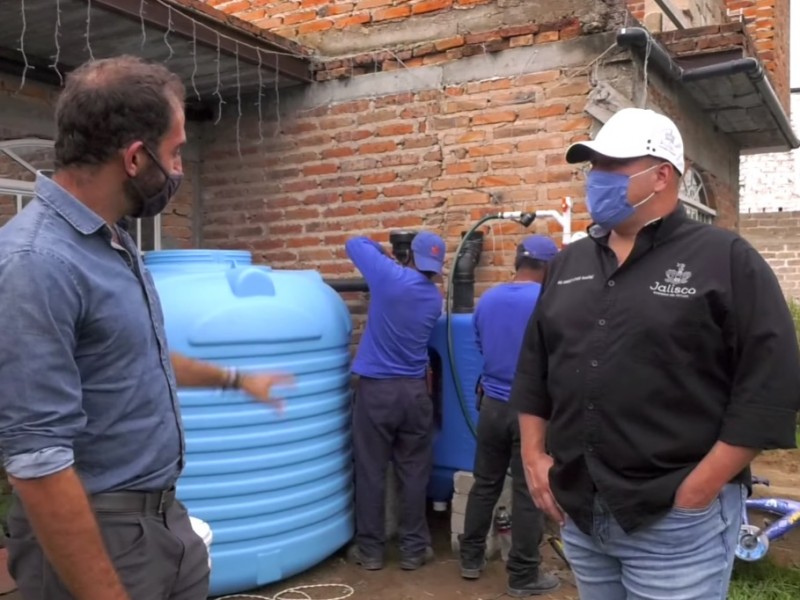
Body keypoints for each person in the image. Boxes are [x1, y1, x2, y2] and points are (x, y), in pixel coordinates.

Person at [0, 56, 290, 600]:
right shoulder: (37, 262)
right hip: (96, 535)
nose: (178, 168)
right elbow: (38, 462)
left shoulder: (114, 243)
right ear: (136, 157)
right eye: (176, 151)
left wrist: (235, 380)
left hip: (161, 522)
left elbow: (141, 358)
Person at [510, 107, 800, 600]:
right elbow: (536, 366)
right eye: (592, 168)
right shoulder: (570, 263)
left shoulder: (725, 260)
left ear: (661, 175)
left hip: (674, 520)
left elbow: (770, 387)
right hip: (581, 511)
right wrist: (534, 457)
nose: (595, 180)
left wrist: (699, 488)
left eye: (610, 167)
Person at [459, 235, 561, 597]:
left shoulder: (488, 300)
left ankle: (470, 558)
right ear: (548, 267)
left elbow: (480, 344)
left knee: (484, 482)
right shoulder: (548, 301)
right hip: (531, 412)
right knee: (528, 490)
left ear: (518, 262)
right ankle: (523, 575)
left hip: (491, 405)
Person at [345, 231, 445, 571]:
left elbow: (354, 243)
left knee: (371, 469)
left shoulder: (388, 276)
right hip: (415, 394)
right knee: (414, 471)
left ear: (408, 256)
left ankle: (371, 551)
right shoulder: (435, 298)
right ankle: (414, 549)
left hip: (378, 392)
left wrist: (382, 251)